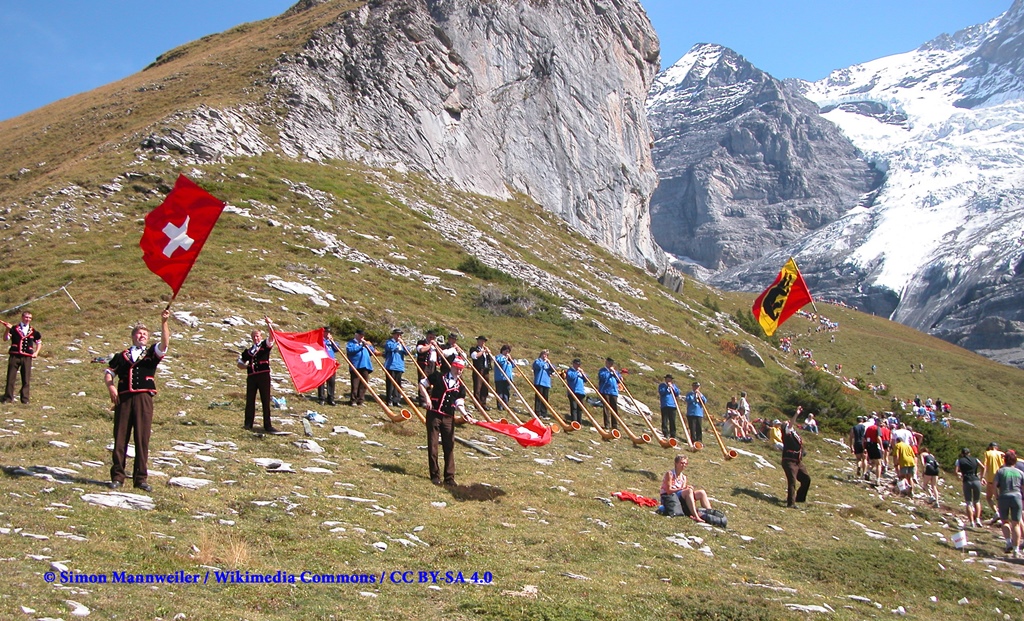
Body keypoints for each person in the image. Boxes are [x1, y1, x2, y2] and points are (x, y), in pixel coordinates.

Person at [104, 309, 171, 491]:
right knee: (120, 437)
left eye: (145, 334)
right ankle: (117, 476)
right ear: (133, 336)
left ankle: (140, 478)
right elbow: (109, 372)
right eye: (139, 333)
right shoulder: (121, 355)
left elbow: (165, 344)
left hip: (143, 398)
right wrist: (111, 386)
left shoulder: (151, 353)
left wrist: (164, 322)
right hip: (124, 398)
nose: (142, 336)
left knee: (142, 438)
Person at [419, 356, 475, 486]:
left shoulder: (460, 386)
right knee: (433, 445)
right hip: (434, 415)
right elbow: (422, 384)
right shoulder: (438, 376)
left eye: (461, 369)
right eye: (457, 368)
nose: (459, 371)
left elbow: (459, 402)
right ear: (452, 366)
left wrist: (465, 414)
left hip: (448, 418)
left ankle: (449, 477)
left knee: (449, 446)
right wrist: (427, 398)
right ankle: (435, 475)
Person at [238, 318, 276, 432]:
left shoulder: (265, 345)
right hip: (252, 377)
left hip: (263, 376)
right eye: (254, 336)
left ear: (261, 336)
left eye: (258, 336)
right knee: (250, 400)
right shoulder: (248, 351)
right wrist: (246, 367)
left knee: (265, 400)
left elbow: (272, 337)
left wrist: (269, 324)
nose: (256, 338)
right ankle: (248, 424)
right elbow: (240, 363)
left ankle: (267, 425)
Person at [1, 310, 42, 404]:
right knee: (11, 377)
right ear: (22, 317)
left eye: (30, 318)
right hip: (14, 355)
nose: (28, 319)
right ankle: (8, 398)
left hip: (27, 357)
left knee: (26, 378)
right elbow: (5, 338)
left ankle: (25, 399)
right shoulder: (14, 328)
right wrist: (7, 329)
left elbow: (39, 342)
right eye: (26, 317)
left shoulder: (34, 331)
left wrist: (36, 352)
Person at [660, 454, 711, 521]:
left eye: (685, 463)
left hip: (680, 497)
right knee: (688, 491)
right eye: (681, 463)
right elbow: (669, 491)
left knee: (701, 492)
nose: (684, 465)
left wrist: (687, 488)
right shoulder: (670, 474)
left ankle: (710, 513)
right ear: (676, 463)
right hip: (669, 497)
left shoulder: (683, 477)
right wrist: (684, 489)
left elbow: (683, 491)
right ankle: (695, 516)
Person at [994, 450, 1023, 557]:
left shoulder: (1000, 471)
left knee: (1005, 521)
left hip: (1004, 496)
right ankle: (1016, 550)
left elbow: (994, 485)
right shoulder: (1020, 473)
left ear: (1005, 460)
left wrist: (997, 497)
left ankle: (1008, 542)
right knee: (1016, 523)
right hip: (1017, 497)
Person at [781, 406, 811, 508]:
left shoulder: (793, 432)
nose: (788, 422)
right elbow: (790, 424)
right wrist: (797, 413)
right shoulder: (787, 431)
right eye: (787, 422)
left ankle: (800, 498)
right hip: (789, 461)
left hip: (797, 461)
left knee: (806, 479)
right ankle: (791, 503)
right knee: (792, 481)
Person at [956, 447, 985, 528]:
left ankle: (972, 522)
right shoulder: (975, 459)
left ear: (962, 454)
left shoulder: (959, 460)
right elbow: (983, 467)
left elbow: (956, 471)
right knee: (977, 501)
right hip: (976, 480)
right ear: (969, 453)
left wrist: (959, 476)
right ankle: (978, 519)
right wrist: (982, 477)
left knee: (968, 502)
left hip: (966, 481)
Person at [346, 329, 375, 406]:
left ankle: (360, 400)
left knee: (364, 384)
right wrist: (361, 346)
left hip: (365, 365)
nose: (362, 337)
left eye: (363, 335)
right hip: (356, 366)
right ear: (356, 335)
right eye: (360, 335)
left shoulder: (365, 343)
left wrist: (368, 345)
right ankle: (353, 400)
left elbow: (372, 351)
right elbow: (350, 350)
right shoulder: (351, 343)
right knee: (355, 384)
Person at [383, 329, 409, 407]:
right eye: (397, 334)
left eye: (400, 335)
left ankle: (396, 400)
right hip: (391, 366)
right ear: (393, 335)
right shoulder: (389, 342)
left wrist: (403, 345)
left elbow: (408, 352)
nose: (399, 336)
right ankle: (389, 400)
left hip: (399, 366)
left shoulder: (402, 344)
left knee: (398, 384)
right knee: (390, 384)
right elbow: (390, 348)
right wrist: (397, 343)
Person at [317, 326, 341, 406]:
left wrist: (332, 341)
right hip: (323, 363)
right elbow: (320, 346)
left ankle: (331, 398)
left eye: (329, 332)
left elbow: (337, 348)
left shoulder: (331, 342)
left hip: (331, 363)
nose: (328, 334)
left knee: (331, 381)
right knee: (322, 381)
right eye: (326, 332)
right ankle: (321, 398)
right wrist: (327, 342)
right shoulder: (320, 340)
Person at [468, 336, 493, 410]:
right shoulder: (474, 349)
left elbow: (491, 360)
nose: (483, 343)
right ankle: (477, 404)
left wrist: (489, 353)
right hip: (478, 370)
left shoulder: (486, 351)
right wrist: (482, 351)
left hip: (486, 370)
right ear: (478, 341)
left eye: (484, 341)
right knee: (477, 387)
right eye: (481, 341)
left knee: (485, 387)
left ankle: (483, 403)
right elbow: (474, 356)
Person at [597, 358, 622, 431]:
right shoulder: (602, 371)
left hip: (613, 392)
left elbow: (619, 379)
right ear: (606, 363)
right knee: (606, 408)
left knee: (614, 408)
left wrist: (614, 373)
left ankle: (615, 425)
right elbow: (602, 378)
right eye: (609, 363)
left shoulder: (615, 372)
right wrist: (609, 372)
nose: (611, 365)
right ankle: (607, 424)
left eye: (612, 363)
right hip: (605, 391)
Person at [983, 442, 1005, 519]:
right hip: (1002, 477)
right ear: (997, 447)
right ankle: (1003, 513)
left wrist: (983, 476)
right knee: (1001, 496)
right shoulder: (1002, 454)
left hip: (991, 478)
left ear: (990, 447)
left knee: (989, 497)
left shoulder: (987, 453)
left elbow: (985, 465)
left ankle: (997, 512)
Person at [531, 350, 554, 418]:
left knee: (545, 398)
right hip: (539, 382)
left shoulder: (548, 363)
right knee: (539, 398)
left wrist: (549, 363)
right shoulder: (538, 361)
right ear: (541, 354)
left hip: (546, 383)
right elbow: (537, 366)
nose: (545, 356)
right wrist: (544, 362)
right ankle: (538, 412)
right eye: (544, 354)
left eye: (546, 355)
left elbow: (553, 369)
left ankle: (544, 413)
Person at [564, 359, 587, 425]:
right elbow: (571, 377)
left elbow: (586, 379)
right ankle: (574, 421)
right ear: (574, 364)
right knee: (574, 407)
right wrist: (576, 372)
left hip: (581, 391)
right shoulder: (570, 371)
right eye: (577, 364)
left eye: (579, 364)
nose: (578, 366)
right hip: (573, 391)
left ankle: (579, 422)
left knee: (580, 408)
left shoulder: (580, 371)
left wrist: (583, 373)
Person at [658, 375, 680, 440]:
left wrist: (672, 387)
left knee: (672, 420)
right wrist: (667, 387)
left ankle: (673, 434)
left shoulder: (674, 386)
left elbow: (677, 393)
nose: (669, 380)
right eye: (667, 379)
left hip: (672, 405)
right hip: (665, 405)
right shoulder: (662, 385)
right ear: (665, 379)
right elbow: (661, 392)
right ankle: (665, 433)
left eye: (670, 379)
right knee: (664, 420)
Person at [493, 345, 514, 411]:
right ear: (503, 350)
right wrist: (505, 358)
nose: (507, 353)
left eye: (508, 352)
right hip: (500, 378)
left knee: (506, 392)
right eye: (506, 351)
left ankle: (506, 405)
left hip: (508, 378)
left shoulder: (509, 359)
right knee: (500, 392)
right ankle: (500, 406)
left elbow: (513, 365)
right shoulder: (499, 357)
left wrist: (510, 359)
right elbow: (499, 362)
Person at [683, 381, 705, 446]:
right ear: (692, 387)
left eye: (697, 387)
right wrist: (694, 396)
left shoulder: (701, 394)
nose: (696, 388)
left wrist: (700, 395)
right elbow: (688, 400)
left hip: (699, 413)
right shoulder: (689, 394)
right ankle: (693, 440)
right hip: (691, 413)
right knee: (692, 428)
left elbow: (705, 401)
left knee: (699, 428)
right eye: (695, 386)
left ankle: (699, 440)